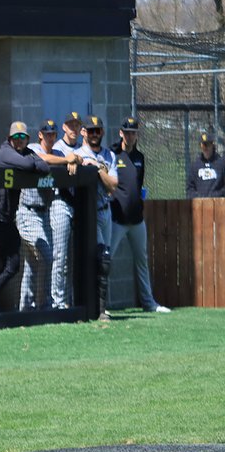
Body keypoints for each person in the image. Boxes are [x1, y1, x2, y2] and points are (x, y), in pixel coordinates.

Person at [0, 122, 47, 315]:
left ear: (27, 139)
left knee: (14, 263)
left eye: (23, 138)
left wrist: (32, 161)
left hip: (7, 217)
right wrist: (31, 161)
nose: (19, 141)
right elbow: (29, 164)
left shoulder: (25, 153)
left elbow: (45, 167)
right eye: (16, 137)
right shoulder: (4, 152)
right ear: (10, 139)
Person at [18, 118, 85, 310]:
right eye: (47, 134)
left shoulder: (57, 152)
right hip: (27, 211)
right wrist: (67, 160)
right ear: (40, 135)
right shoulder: (31, 148)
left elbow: (76, 157)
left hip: (44, 214)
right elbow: (43, 159)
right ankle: (42, 303)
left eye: (53, 134)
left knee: (32, 262)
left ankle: (26, 306)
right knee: (46, 256)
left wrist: (75, 160)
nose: (50, 137)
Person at [110, 116, 170, 314]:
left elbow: (138, 187)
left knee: (142, 261)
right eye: (126, 132)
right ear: (121, 133)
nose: (130, 135)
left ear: (137, 135)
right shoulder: (112, 154)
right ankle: (100, 306)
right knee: (106, 260)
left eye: (133, 133)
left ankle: (149, 304)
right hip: (117, 219)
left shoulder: (140, 158)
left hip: (137, 220)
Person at [73, 115, 119, 321]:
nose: (93, 134)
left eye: (97, 130)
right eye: (90, 130)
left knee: (105, 259)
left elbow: (113, 185)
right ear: (84, 132)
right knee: (96, 259)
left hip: (104, 210)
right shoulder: (78, 154)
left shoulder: (109, 155)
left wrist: (99, 169)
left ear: (102, 132)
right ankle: (92, 308)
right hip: (86, 213)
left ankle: (101, 307)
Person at [187, 130, 225, 198]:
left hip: (218, 204)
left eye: (207, 145)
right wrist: (198, 197)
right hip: (200, 205)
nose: (205, 148)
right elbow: (190, 188)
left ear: (212, 145)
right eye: (203, 145)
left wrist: (216, 196)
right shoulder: (195, 165)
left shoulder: (221, 163)